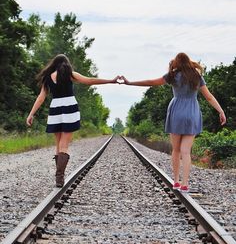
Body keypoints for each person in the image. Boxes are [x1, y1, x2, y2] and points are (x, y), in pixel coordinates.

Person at [121, 52, 226, 193]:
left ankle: (176, 181)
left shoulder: (172, 75)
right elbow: (209, 97)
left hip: (176, 112)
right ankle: (185, 184)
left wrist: (129, 83)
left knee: (176, 150)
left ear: (177, 62)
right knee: (186, 152)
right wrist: (221, 111)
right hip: (192, 113)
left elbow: (151, 82)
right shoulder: (197, 76)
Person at [26, 54, 119, 188]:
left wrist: (31, 114)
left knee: (58, 144)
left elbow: (41, 97)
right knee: (64, 144)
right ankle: (60, 177)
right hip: (70, 107)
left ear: (54, 64)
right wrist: (111, 81)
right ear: (66, 63)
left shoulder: (48, 77)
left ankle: (58, 177)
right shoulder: (69, 74)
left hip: (55, 109)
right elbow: (90, 80)